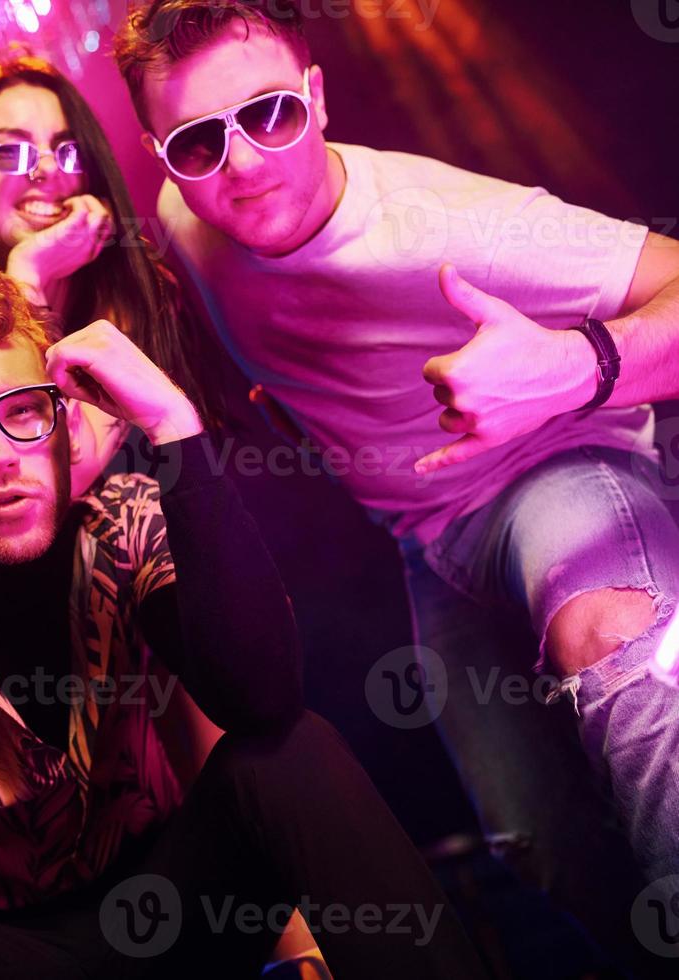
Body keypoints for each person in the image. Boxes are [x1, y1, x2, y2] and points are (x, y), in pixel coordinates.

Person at [113, 0, 679, 970]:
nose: (243, 162)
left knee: (616, 643)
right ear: (162, 155)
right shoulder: (183, 217)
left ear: (319, 98)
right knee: (540, 840)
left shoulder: (452, 226)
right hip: (430, 541)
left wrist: (575, 363)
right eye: (200, 142)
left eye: (272, 115)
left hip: (558, 469)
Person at [0, 259, 488, 979]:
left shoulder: (125, 524)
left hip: (171, 920)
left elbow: (263, 701)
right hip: (4, 958)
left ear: (63, 421)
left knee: (287, 753)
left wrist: (172, 423)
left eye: (22, 413)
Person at [0, 53, 215, 494]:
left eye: (66, 151)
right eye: (12, 151)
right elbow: (43, 468)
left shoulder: (145, 298)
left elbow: (79, 461)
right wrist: (28, 273)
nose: (46, 168)